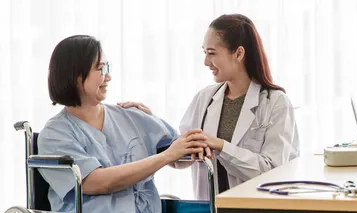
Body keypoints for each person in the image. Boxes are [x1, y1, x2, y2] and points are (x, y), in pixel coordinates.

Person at [120, 14, 300, 201]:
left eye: (212, 53)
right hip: (210, 206)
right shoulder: (205, 98)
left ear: (239, 53)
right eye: (204, 52)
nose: (206, 62)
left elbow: (274, 171)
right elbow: (182, 155)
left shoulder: (276, 103)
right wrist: (149, 122)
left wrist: (220, 146)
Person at [38, 35, 206, 213]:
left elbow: (181, 155)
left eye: (107, 67)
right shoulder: (54, 135)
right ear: (76, 76)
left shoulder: (131, 116)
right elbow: (98, 183)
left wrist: (191, 147)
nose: (108, 76)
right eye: (101, 69)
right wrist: (166, 157)